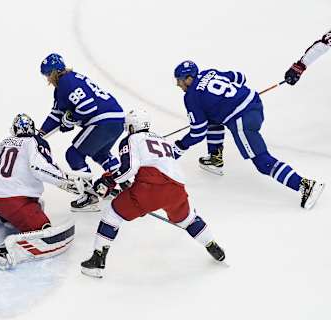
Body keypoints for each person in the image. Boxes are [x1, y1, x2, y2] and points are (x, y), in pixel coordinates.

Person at [80, 109, 225, 278]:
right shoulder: (163, 140)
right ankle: (211, 244)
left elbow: (129, 169)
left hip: (150, 187)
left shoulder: (132, 139)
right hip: (177, 189)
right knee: (188, 219)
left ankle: (97, 262)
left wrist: (109, 181)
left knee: (112, 214)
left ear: (133, 126)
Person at [171, 61, 325, 209]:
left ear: (189, 79)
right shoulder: (209, 73)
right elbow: (240, 77)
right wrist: (228, 99)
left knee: (262, 162)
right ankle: (214, 158)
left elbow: (198, 132)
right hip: (255, 104)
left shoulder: (191, 97)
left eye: (180, 81)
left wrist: (179, 147)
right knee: (212, 118)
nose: (178, 84)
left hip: (242, 121)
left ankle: (305, 185)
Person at [0, 113, 80, 270]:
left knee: (37, 205)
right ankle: (5, 251)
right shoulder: (35, 142)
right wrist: (64, 180)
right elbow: (39, 167)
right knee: (42, 227)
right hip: (15, 201)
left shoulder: (6, 141)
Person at [38, 53, 125, 212]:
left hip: (103, 121)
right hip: (117, 119)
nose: (48, 80)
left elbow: (88, 107)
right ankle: (122, 181)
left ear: (55, 71)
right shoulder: (69, 81)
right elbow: (56, 115)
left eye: (48, 74)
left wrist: (70, 118)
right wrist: (40, 134)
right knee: (101, 153)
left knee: (73, 155)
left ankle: (89, 195)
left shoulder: (66, 83)